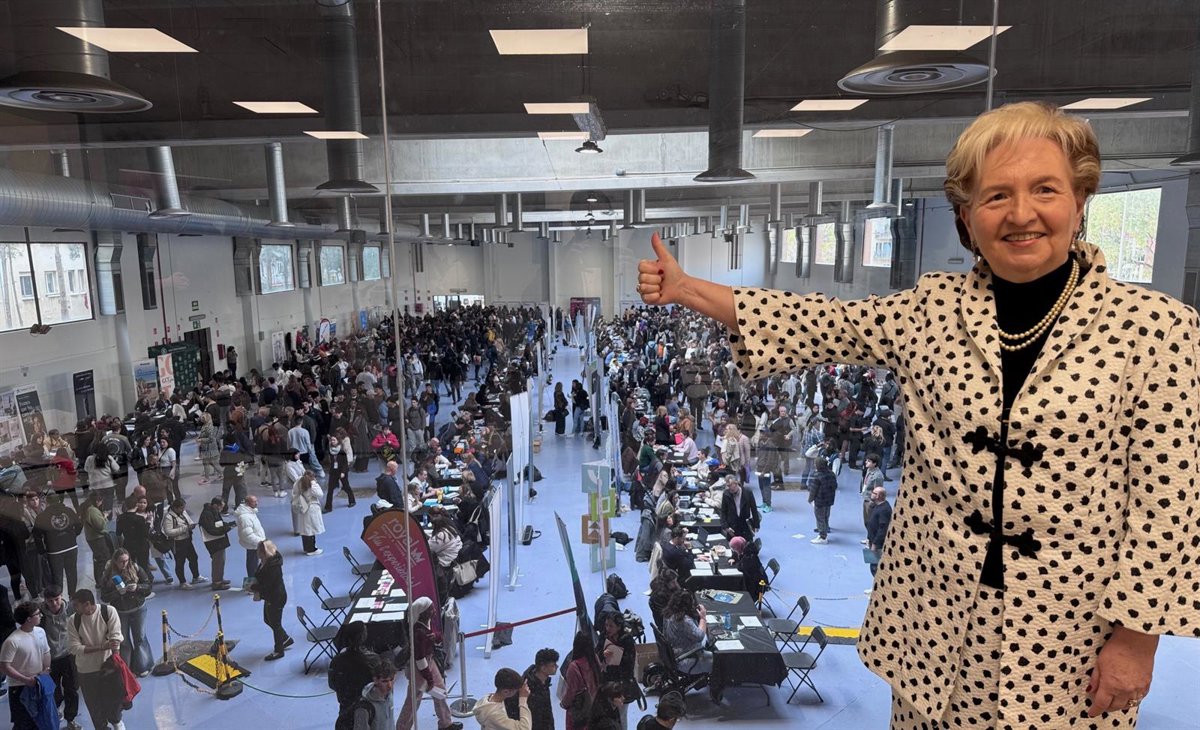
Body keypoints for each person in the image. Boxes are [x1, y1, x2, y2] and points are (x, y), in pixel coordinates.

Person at [637, 101, 1200, 725]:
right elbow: (819, 322)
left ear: (1081, 198)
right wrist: (686, 289)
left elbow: (1168, 500)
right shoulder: (932, 310)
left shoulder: (1157, 330)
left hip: (1069, 638)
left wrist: (1138, 639)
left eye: (1045, 189)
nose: (1021, 213)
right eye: (996, 195)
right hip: (933, 621)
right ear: (965, 217)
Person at [396, 596, 462, 730]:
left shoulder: (427, 623)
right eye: (431, 609)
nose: (434, 611)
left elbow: (437, 636)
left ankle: (445, 723)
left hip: (429, 661)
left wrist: (436, 636)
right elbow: (419, 659)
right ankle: (402, 727)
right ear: (423, 613)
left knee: (440, 692)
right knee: (413, 700)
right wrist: (428, 677)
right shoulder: (418, 633)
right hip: (420, 667)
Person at [66, 589, 125, 730]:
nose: (74, 608)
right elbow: (74, 648)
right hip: (86, 670)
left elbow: (116, 637)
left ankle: (117, 722)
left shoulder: (108, 611)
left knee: (114, 700)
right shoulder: (73, 620)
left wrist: (116, 661)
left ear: (87, 604)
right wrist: (102, 647)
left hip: (108, 666)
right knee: (94, 706)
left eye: (76, 605)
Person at [98, 549, 153, 677]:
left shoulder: (135, 568)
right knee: (123, 641)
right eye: (121, 561)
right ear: (115, 561)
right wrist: (118, 593)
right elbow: (104, 597)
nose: (125, 564)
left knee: (140, 637)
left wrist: (138, 587)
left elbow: (148, 586)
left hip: (138, 608)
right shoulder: (107, 575)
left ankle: (143, 666)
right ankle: (127, 668)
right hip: (120, 611)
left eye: (127, 560)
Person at [0, 601, 52, 730]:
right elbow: (4, 667)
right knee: (23, 722)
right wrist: (26, 680)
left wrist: (46, 669)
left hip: (39, 682)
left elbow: (46, 652)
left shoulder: (40, 631)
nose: (41, 616)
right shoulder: (12, 641)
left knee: (42, 718)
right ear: (28, 619)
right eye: (38, 614)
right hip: (20, 687)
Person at [38, 586, 80, 730]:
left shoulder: (71, 610)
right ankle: (56, 709)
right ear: (45, 601)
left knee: (72, 688)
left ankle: (71, 719)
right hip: (50, 658)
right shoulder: (40, 615)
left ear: (61, 596)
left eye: (57, 599)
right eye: (50, 601)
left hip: (69, 656)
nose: (55, 603)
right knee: (53, 689)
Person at [330, 621, 380, 725]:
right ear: (363, 636)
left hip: (346, 707)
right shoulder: (373, 659)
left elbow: (332, 684)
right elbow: (379, 684)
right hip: (368, 707)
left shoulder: (336, 661)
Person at [251, 540, 293, 661]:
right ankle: (285, 639)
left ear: (264, 553)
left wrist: (253, 587)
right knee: (268, 619)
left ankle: (279, 650)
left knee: (275, 624)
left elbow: (268, 586)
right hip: (271, 597)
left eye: (259, 551)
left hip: (276, 598)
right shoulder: (267, 562)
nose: (257, 553)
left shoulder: (273, 567)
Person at [597, 613, 637, 729]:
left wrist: (616, 655)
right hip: (606, 682)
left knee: (621, 715)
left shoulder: (627, 640)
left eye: (611, 626)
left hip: (622, 684)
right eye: (606, 625)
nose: (607, 628)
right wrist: (602, 654)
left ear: (619, 627)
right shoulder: (604, 636)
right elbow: (597, 651)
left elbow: (630, 664)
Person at [661, 591, 712, 676]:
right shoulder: (684, 620)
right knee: (719, 661)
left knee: (708, 640)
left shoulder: (667, 614)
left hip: (676, 652)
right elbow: (700, 636)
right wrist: (703, 617)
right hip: (686, 658)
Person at [162, 498, 206, 588]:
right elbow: (168, 532)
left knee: (193, 557)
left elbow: (189, 521)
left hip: (187, 540)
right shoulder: (168, 517)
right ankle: (182, 582)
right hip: (177, 543)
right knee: (180, 562)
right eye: (181, 508)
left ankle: (196, 577)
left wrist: (192, 525)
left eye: (184, 508)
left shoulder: (183, 512)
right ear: (175, 508)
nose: (183, 510)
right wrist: (185, 528)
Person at [560, 632, 598, 730]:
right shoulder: (594, 660)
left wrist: (564, 703)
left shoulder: (574, 667)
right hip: (594, 707)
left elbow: (571, 691)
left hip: (579, 709)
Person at [348, 658, 397, 730]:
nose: (389, 685)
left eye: (392, 680)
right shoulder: (364, 708)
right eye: (384, 681)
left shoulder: (389, 695)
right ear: (375, 680)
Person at [517, 648, 558, 730]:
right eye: (553, 665)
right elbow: (535, 719)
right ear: (543, 668)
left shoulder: (544, 682)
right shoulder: (531, 691)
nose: (557, 667)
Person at [198, 497, 233, 590]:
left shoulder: (214, 512)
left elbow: (218, 523)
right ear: (215, 505)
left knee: (221, 561)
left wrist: (227, 525)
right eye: (221, 507)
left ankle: (219, 579)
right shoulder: (207, 514)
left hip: (219, 541)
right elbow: (212, 530)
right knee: (218, 562)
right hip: (214, 542)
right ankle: (217, 583)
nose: (222, 509)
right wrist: (226, 529)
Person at [234, 495, 265, 586]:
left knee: (254, 565)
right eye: (254, 501)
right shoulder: (245, 517)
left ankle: (253, 584)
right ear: (247, 503)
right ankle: (251, 586)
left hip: (255, 544)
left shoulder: (251, 512)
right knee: (252, 566)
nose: (256, 503)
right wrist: (261, 541)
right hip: (253, 545)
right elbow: (247, 535)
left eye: (256, 501)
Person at [718, 477, 759, 542]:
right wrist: (726, 527)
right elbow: (723, 511)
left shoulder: (747, 492)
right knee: (732, 546)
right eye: (728, 487)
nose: (730, 490)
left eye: (732, 487)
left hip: (745, 524)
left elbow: (754, 509)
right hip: (732, 526)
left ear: (736, 483)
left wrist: (756, 525)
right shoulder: (726, 494)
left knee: (747, 544)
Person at [808, 457, 837, 545]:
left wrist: (810, 499)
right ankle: (825, 529)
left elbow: (813, 490)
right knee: (826, 516)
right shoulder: (832, 474)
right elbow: (835, 486)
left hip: (820, 501)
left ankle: (822, 537)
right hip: (829, 500)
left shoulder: (817, 476)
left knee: (819, 518)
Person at [866, 486, 893, 581]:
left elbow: (882, 529)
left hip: (878, 544)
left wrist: (874, 544)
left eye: (874, 493)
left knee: (875, 566)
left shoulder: (884, 510)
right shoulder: (877, 506)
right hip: (872, 540)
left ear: (879, 496)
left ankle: (877, 585)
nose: (872, 494)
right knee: (873, 564)